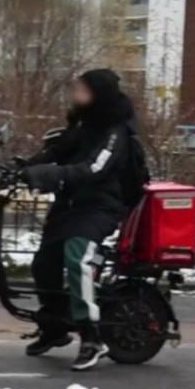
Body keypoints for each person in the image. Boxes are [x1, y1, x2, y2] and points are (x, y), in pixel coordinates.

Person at [20, 68, 137, 372]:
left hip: (100, 207)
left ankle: (91, 336)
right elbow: (57, 151)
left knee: (78, 256)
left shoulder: (115, 132)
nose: (76, 95)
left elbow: (94, 169)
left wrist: (48, 175)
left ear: (99, 94)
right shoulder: (83, 124)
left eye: (83, 90)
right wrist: (20, 169)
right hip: (71, 205)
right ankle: (55, 325)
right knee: (43, 263)